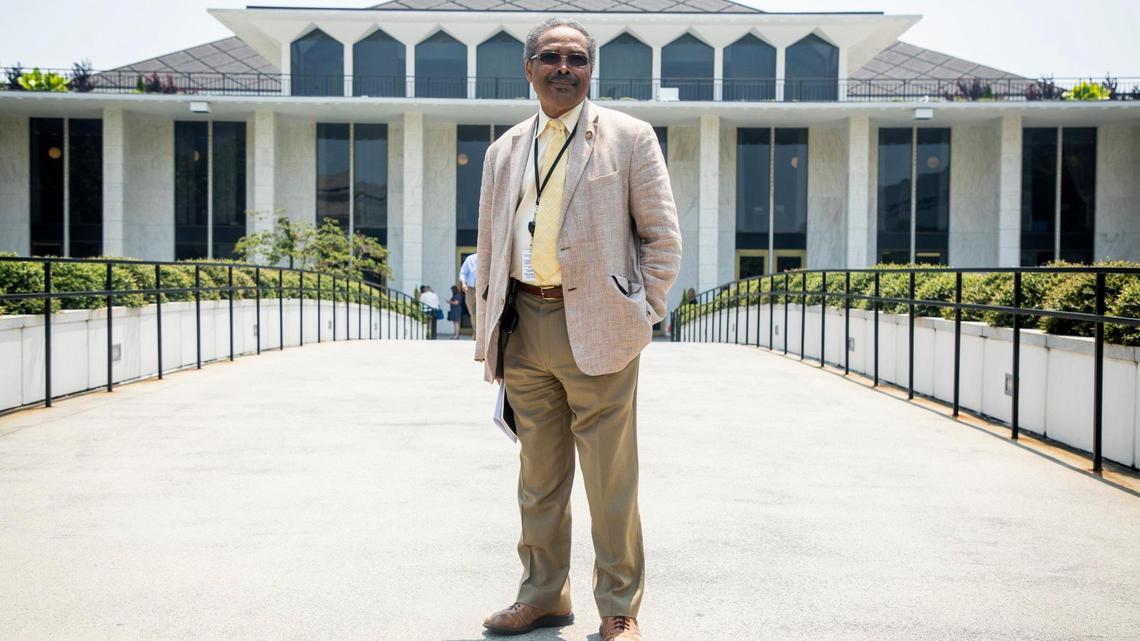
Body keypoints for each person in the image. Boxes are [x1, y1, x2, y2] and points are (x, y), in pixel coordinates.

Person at [473, 17, 681, 641]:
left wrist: (643, 310)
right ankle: (542, 594)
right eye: (551, 57)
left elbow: (662, 238)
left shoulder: (629, 137)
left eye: (577, 59)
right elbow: (489, 241)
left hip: (601, 324)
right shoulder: (504, 148)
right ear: (529, 68)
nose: (564, 68)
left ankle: (619, 607)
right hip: (524, 323)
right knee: (538, 475)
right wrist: (488, 319)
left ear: (591, 70)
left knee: (610, 478)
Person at [459, 252, 478, 335]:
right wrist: (463, 283)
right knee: (473, 311)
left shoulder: (490, 257)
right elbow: (463, 272)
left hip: (485, 287)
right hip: (471, 289)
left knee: (482, 311)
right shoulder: (470, 259)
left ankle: (480, 333)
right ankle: (476, 331)